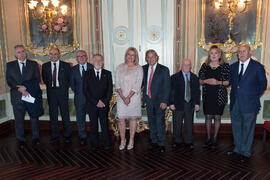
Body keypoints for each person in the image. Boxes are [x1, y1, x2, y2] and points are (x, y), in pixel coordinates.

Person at [228, 44, 267, 162]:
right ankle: (238, 149)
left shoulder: (257, 67)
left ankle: (245, 152)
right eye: (239, 52)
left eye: (244, 51)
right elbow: (231, 83)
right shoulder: (233, 67)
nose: (241, 53)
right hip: (235, 103)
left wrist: (253, 96)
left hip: (250, 103)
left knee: (248, 128)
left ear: (249, 52)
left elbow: (263, 84)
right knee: (236, 127)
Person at [6, 45, 41, 148]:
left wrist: (26, 87)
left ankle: (36, 137)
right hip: (17, 96)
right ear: (15, 54)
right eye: (19, 52)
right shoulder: (10, 65)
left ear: (26, 52)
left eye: (23, 51)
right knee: (19, 119)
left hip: (30, 95)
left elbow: (37, 79)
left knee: (34, 117)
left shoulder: (33, 64)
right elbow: (9, 80)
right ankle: (21, 139)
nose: (21, 53)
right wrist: (19, 88)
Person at [199, 45, 229, 148]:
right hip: (208, 95)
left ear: (220, 54)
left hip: (219, 96)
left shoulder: (225, 66)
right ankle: (208, 138)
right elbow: (200, 81)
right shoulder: (205, 66)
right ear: (209, 55)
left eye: (216, 53)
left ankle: (215, 138)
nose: (213, 55)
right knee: (208, 116)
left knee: (217, 116)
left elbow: (228, 82)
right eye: (211, 53)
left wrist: (217, 82)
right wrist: (207, 81)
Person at [115, 47, 143, 150]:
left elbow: (137, 85)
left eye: (133, 55)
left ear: (135, 57)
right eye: (129, 54)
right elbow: (117, 83)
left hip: (134, 97)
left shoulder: (139, 68)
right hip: (121, 97)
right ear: (126, 55)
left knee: (133, 118)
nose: (130, 57)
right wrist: (123, 97)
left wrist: (129, 97)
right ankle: (123, 140)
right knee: (121, 119)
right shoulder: (119, 67)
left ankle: (131, 139)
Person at [142, 49, 170, 152]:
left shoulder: (164, 69)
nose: (150, 59)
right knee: (151, 122)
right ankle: (153, 141)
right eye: (148, 57)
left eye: (152, 56)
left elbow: (167, 87)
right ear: (146, 59)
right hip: (148, 100)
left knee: (160, 122)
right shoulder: (143, 69)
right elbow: (142, 84)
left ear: (157, 57)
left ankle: (161, 143)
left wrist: (165, 101)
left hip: (160, 101)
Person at [42, 47, 72, 143]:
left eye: (55, 54)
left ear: (59, 54)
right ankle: (55, 135)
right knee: (53, 115)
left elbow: (69, 79)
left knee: (65, 114)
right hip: (51, 92)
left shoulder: (66, 65)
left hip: (62, 92)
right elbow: (45, 79)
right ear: (49, 55)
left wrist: (63, 87)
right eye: (51, 54)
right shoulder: (45, 66)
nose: (53, 56)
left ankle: (67, 135)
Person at [83, 54, 113, 151]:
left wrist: (103, 101)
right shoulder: (87, 73)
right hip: (92, 104)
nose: (98, 62)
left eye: (100, 60)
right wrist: (96, 102)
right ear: (92, 61)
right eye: (96, 60)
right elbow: (85, 90)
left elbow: (110, 90)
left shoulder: (108, 73)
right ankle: (94, 143)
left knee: (104, 124)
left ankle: (106, 143)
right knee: (93, 124)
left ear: (103, 62)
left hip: (104, 104)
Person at [170, 58, 200, 149]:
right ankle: (177, 141)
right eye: (185, 64)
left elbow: (197, 92)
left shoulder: (194, 77)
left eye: (188, 65)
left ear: (191, 66)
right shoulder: (174, 77)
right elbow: (171, 91)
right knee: (177, 123)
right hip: (177, 103)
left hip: (189, 104)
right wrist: (171, 103)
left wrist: (197, 103)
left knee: (189, 123)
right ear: (181, 66)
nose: (186, 66)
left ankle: (188, 141)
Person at [71, 50, 93, 145]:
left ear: (87, 57)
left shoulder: (92, 67)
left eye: (84, 56)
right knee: (80, 118)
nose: (82, 58)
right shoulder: (73, 70)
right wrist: (79, 93)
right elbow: (72, 84)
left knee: (93, 117)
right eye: (79, 56)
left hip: (92, 99)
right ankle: (82, 136)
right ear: (77, 59)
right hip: (79, 98)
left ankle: (94, 135)